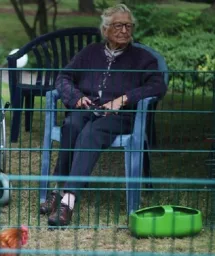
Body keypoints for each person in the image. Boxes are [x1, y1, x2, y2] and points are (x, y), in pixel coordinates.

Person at [40, 4, 167, 226]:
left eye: (129, 26)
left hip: (120, 116)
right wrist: (77, 98)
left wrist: (124, 99)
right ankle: (58, 188)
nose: (125, 30)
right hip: (88, 108)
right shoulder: (90, 52)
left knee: (92, 133)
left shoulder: (142, 58)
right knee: (71, 125)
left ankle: (67, 201)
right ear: (106, 29)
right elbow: (64, 77)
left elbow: (157, 86)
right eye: (119, 25)